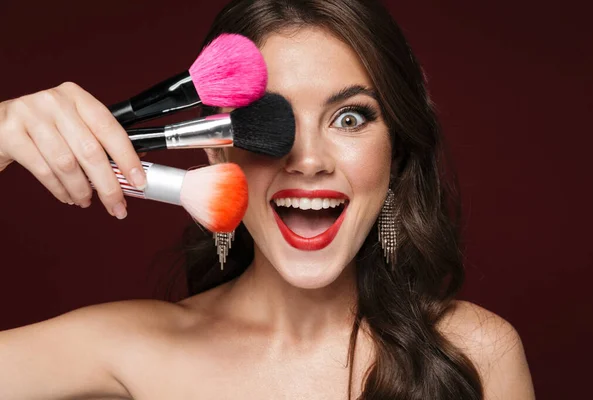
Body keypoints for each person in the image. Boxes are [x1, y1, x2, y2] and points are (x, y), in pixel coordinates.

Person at [0, 0, 535, 398]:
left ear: (394, 155)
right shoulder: (123, 346)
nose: (307, 160)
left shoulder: (475, 352)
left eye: (350, 118)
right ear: (217, 153)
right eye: (266, 122)